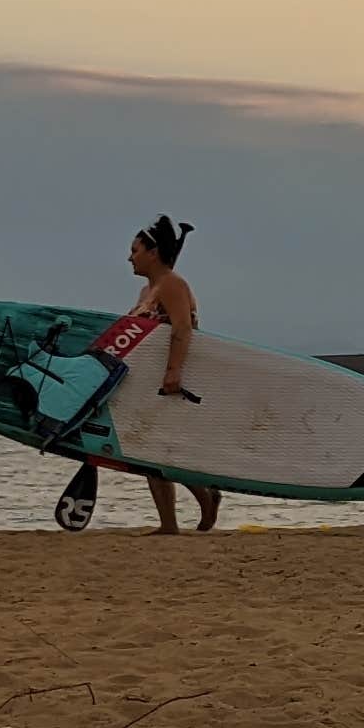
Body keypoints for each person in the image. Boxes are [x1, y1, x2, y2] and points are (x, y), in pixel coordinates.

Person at [109, 217, 222, 533]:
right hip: (146, 381)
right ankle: (171, 521)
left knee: (159, 450)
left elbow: (183, 328)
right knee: (147, 451)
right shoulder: (147, 290)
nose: (129, 257)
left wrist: (173, 371)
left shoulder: (172, 284)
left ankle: (204, 498)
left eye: (135, 250)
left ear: (153, 252)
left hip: (171, 382)